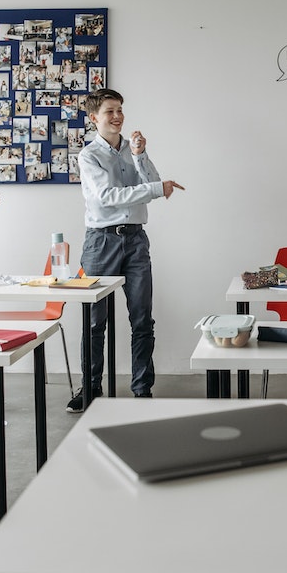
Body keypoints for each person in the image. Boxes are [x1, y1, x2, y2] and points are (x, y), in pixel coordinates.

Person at [70, 88, 184, 411]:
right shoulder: (89, 156)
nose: (118, 116)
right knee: (94, 321)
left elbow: (154, 184)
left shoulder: (131, 151)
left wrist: (139, 155)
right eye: (110, 111)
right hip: (100, 241)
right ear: (94, 118)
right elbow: (108, 196)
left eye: (120, 110)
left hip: (135, 240)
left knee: (142, 318)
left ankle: (142, 390)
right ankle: (90, 390)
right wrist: (154, 189)